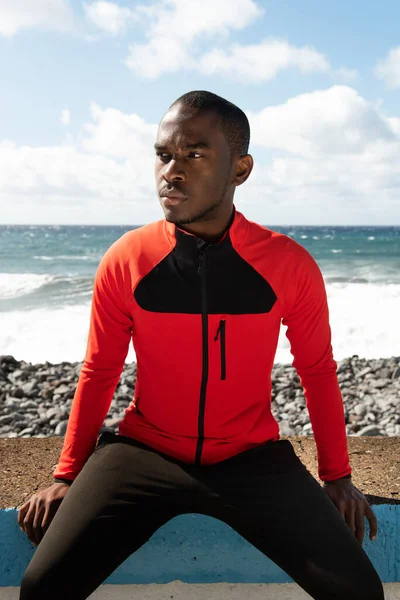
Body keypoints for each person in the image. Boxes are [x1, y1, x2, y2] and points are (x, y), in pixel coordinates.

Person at [18, 91, 384, 600]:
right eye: (164, 155)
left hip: (252, 459)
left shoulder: (288, 264)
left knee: (359, 592)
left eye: (194, 153)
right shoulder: (128, 258)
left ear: (241, 168)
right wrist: (65, 474)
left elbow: (317, 370)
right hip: (144, 453)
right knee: (41, 586)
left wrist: (338, 475)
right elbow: (100, 370)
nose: (171, 170)